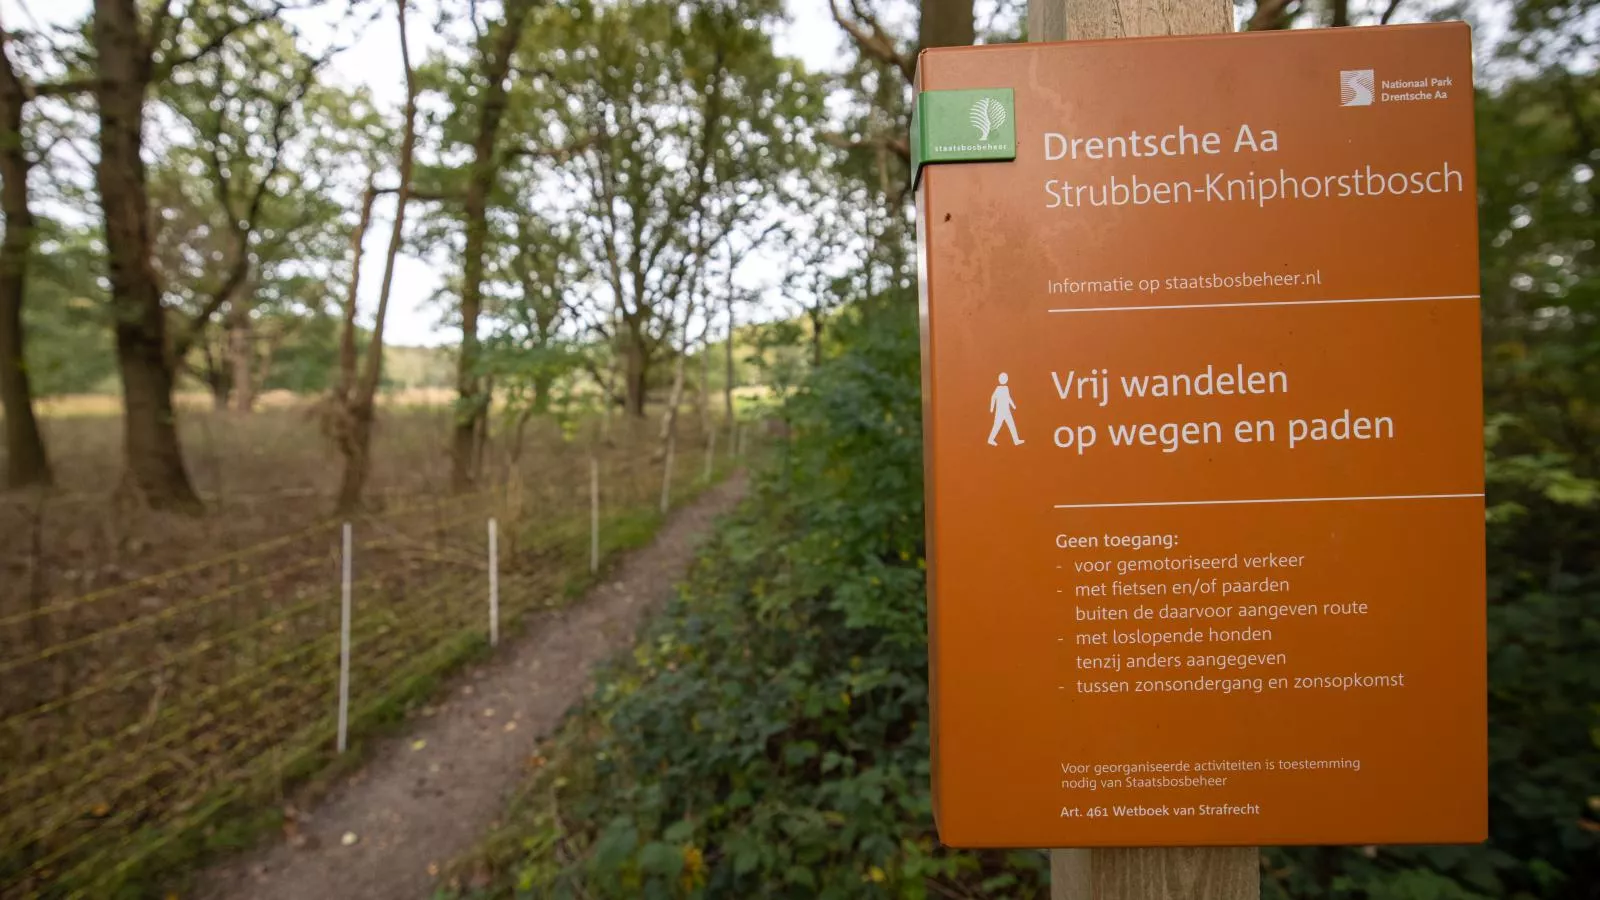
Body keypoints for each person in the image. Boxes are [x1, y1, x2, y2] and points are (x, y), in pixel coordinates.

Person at [988, 372, 1023, 446]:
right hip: (1000, 412)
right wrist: (992, 408)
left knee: (1012, 425)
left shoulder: (1006, 388)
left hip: (1007, 411)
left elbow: (1008, 398)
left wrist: (1013, 405)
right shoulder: (998, 389)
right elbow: (993, 397)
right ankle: (990, 439)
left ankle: (1016, 440)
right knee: (997, 426)